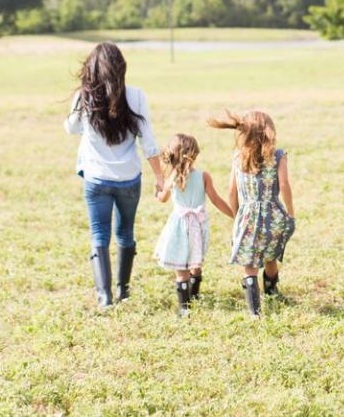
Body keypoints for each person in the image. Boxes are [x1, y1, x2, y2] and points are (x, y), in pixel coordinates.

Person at [64, 42, 165, 308]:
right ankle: (123, 291)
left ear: (92, 68)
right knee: (125, 233)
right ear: (121, 68)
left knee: (99, 234)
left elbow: (71, 129)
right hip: (129, 178)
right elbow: (149, 142)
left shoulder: (84, 97)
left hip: (96, 178)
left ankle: (104, 297)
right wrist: (160, 178)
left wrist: (80, 103)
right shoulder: (137, 96)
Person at [208, 110, 295, 316]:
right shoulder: (279, 156)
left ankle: (254, 312)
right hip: (273, 215)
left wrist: (237, 216)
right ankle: (272, 293)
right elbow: (284, 184)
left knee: (250, 265)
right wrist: (290, 215)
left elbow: (231, 191)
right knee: (271, 257)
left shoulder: (238, 157)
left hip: (247, 215)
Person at [153, 133, 235, 316]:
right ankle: (195, 294)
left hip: (178, 225)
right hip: (198, 224)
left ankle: (184, 307)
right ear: (194, 154)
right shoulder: (203, 176)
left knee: (181, 267)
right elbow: (216, 199)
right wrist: (234, 215)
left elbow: (163, 199)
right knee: (195, 260)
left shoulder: (172, 177)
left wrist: (157, 192)